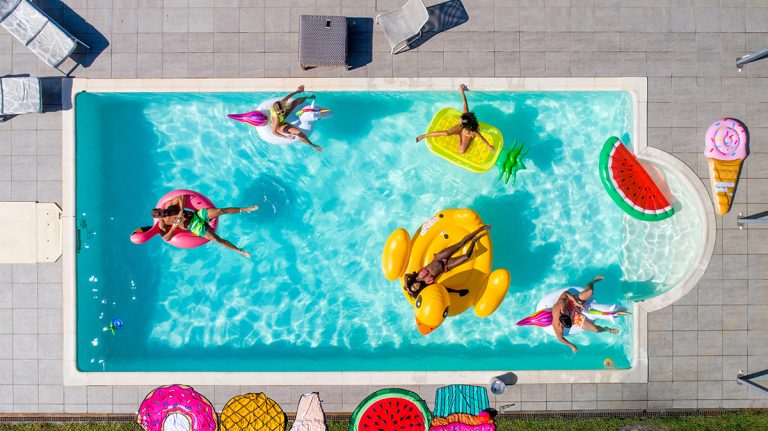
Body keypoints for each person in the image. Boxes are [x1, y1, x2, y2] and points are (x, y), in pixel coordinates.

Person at [151, 194, 259, 259]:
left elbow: (181, 197)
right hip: (194, 226)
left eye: (161, 211)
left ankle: (246, 209)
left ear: (160, 208)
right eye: (161, 215)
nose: (163, 213)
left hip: (197, 215)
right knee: (217, 240)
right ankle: (240, 251)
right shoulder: (163, 222)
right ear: (159, 217)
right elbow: (166, 238)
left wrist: (180, 212)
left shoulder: (169, 206)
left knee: (220, 211)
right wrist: (174, 227)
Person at [403, 225, 491, 298]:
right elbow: (444, 289)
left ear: (413, 283)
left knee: (460, 244)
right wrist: (458, 291)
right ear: (419, 289)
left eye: (413, 286)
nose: (416, 286)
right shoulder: (427, 286)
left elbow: (406, 276)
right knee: (466, 257)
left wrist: (407, 288)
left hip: (439, 258)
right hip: (446, 266)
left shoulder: (416, 276)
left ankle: (480, 229)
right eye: (416, 288)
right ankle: (474, 241)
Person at [416, 84, 495, 154]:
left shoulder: (474, 131)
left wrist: (489, 146)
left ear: (466, 125)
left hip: (466, 134)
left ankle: (458, 135)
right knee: (446, 133)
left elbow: (482, 138)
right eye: (461, 118)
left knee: (461, 151)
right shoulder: (465, 114)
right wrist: (462, 91)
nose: (459, 119)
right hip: (462, 128)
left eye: (461, 120)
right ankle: (423, 136)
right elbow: (465, 102)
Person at [551, 275, 620, 353]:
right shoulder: (557, 325)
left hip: (571, 304)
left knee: (590, 292)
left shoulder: (560, 305)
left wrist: (577, 303)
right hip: (574, 317)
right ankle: (607, 329)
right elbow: (560, 338)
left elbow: (566, 293)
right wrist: (572, 346)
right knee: (596, 329)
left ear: (564, 313)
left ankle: (593, 281)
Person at [270, 85, 323, 152]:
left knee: (296, 101)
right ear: (276, 112)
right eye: (279, 113)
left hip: (283, 117)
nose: (281, 113)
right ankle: (313, 146)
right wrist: (286, 137)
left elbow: (288, 96)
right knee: (299, 133)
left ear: (283, 106)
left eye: (282, 111)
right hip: (279, 125)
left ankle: (308, 97)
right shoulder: (276, 118)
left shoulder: (281, 103)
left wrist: (298, 91)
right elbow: (273, 132)